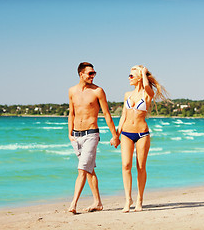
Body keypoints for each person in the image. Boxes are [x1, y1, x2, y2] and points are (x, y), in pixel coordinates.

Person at [68, 62, 120, 214]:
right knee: (89, 170)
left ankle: (73, 204)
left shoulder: (98, 91)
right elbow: (71, 113)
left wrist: (114, 135)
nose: (93, 76)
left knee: (82, 169)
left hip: (91, 134)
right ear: (81, 74)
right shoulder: (72, 91)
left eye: (94, 73)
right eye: (90, 73)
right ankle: (98, 202)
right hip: (76, 136)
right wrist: (69, 133)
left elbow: (106, 114)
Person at [117, 65, 169, 213]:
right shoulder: (127, 94)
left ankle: (139, 199)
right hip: (126, 133)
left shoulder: (148, 94)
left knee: (141, 167)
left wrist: (144, 72)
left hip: (142, 134)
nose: (129, 78)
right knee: (126, 166)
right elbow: (123, 115)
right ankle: (128, 199)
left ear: (140, 77)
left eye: (131, 75)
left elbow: (146, 86)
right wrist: (116, 134)